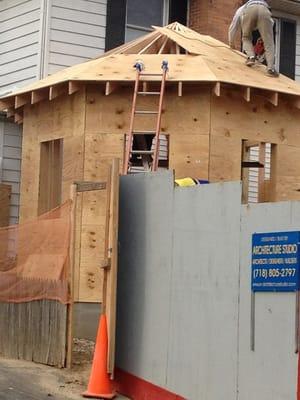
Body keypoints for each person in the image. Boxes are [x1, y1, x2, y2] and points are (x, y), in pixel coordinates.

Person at [228, 0, 279, 77]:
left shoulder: (242, 9)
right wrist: (263, 37)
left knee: (246, 37)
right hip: (264, 11)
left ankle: (251, 57)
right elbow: (270, 25)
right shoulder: (266, 9)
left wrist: (231, 43)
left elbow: (233, 26)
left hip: (249, 10)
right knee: (269, 42)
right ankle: (270, 69)